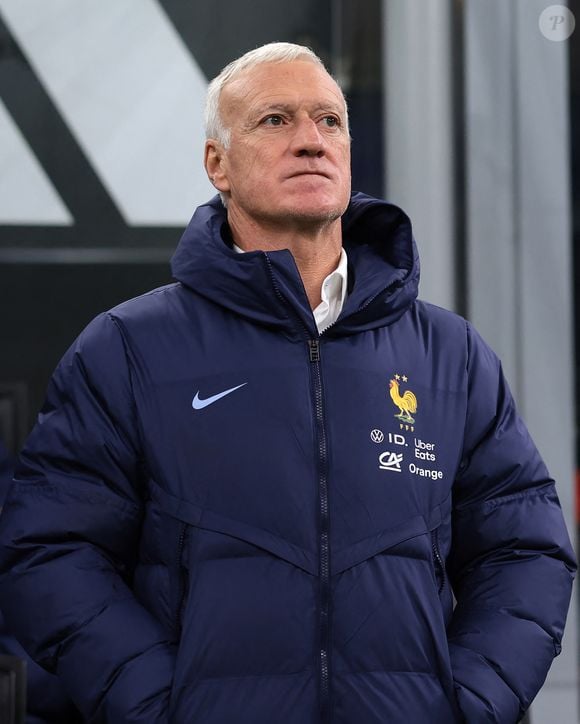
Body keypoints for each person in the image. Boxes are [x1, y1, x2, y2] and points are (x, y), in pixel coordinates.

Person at [0, 42, 575, 724]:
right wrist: (158, 706)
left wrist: (471, 703)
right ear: (218, 163)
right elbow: (49, 549)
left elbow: (525, 548)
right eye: (276, 120)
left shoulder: (449, 355)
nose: (311, 140)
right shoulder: (128, 349)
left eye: (329, 120)